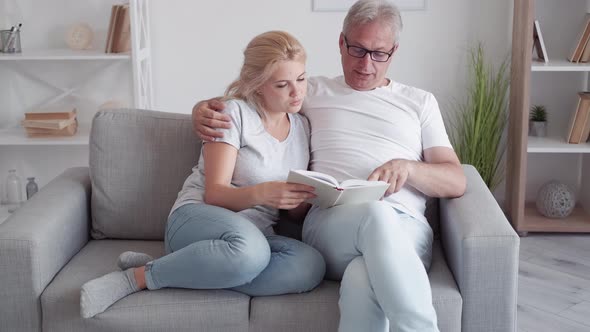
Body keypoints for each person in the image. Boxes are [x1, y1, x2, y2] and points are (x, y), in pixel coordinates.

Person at [193, 1, 467, 331]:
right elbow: (256, 98)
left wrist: (409, 168)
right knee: (375, 213)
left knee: (362, 274)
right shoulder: (312, 91)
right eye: (357, 49)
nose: (366, 64)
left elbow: (456, 180)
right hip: (330, 226)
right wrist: (202, 109)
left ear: (393, 52)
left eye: (379, 53)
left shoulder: (420, 102)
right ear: (341, 43)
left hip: (406, 228)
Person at [79, 30, 326, 319]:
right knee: (251, 254)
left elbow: (293, 214)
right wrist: (264, 192)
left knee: (310, 265)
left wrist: (303, 200)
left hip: (254, 239)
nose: (297, 92)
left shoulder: (302, 128)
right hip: (197, 220)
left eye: (301, 79)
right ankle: (134, 278)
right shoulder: (233, 114)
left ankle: (178, 269)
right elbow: (216, 194)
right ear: (258, 86)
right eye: (282, 84)